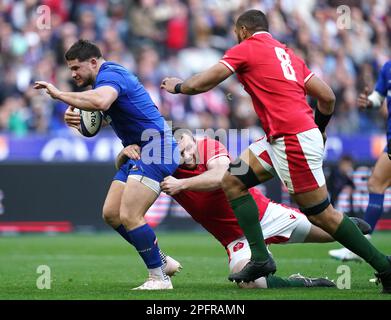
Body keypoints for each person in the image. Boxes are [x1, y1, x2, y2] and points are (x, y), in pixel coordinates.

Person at [160, 10, 391, 293]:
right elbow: (327, 97)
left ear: (243, 30)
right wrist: (319, 129)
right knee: (233, 180)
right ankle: (260, 258)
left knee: (323, 215)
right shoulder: (288, 54)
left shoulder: (246, 48)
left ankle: (385, 266)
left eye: (236, 33)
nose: (236, 37)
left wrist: (179, 86)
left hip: (291, 139)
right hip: (283, 137)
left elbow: (203, 82)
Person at [118, 129, 371, 289]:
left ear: (193, 141)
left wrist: (182, 183)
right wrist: (124, 154)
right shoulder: (165, 167)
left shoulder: (207, 145)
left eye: (187, 146)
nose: (186, 154)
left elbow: (221, 175)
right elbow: (127, 174)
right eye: (179, 151)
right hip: (236, 239)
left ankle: (348, 226)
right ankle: (302, 282)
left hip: (265, 215)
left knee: (332, 230)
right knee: (250, 284)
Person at [34, 39, 180, 290]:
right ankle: (161, 261)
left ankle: (159, 278)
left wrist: (59, 95)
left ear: (93, 62)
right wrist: (79, 121)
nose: (73, 74)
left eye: (76, 68)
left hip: (157, 148)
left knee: (131, 215)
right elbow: (102, 117)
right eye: (70, 69)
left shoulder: (111, 75)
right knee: (112, 214)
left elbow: (101, 102)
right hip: (138, 150)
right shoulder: (106, 81)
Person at [329, 60, 391, 262]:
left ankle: (359, 247)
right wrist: (369, 101)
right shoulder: (387, 67)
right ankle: (361, 246)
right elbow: (378, 97)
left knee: (376, 184)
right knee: (375, 184)